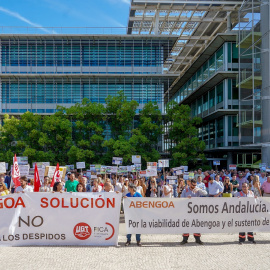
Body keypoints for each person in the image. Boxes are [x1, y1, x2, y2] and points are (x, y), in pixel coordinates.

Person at [180, 179, 207, 245]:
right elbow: (181, 198)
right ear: (190, 184)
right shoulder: (185, 190)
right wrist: (186, 198)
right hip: (187, 210)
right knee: (186, 223)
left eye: (195, 185)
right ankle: (185, 239)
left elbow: (206, 193)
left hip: (195, 210)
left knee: (196, 223)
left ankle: (197, 239)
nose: (194, 186)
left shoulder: (197, 189)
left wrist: (199, 190)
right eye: (193, 185)